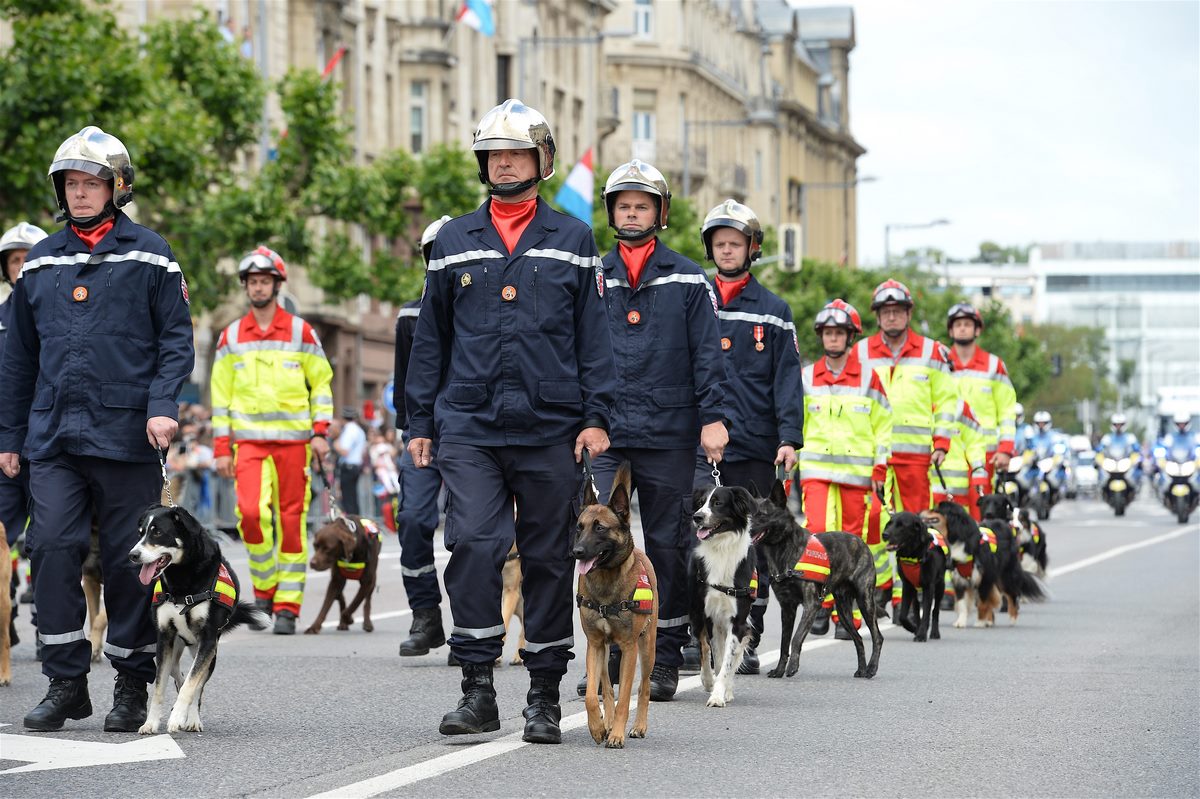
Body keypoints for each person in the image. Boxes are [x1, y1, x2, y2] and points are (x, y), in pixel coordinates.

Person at [405, 99, 616, 744]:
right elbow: (431, 340)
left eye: (516, 154)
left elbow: (594, 339)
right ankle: (477, 689)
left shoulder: (574, 240)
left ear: (541, 161)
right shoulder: (452, 241)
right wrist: (420, 420)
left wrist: (597, 416)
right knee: (473, 543)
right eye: (494, 155)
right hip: (469, 423)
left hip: (551, 425)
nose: (503, 164)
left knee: (549, 557)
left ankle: (544, 696)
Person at [0, 126, 195, 732]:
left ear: (117, 188)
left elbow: (175, 340)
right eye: (71, 183)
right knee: (50, 547)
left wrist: (162, 405)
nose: (80, 193)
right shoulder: (41, 261)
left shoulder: (152, 255)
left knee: (126, 561)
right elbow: (17, 359)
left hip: (127, 436)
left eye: (91, 182)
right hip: (53, 436)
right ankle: (65, 683)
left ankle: (133, 684)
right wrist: (9, 437)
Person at [582, 159, 728, 702]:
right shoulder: (592, 274)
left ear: (659, 213)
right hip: (607, 432)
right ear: (611, 212)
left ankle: (663, 657)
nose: (632, 214)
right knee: (596, 539)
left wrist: (712, 418)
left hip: (669, 430)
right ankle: (605, 654)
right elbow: (577, 350)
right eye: (623, 206)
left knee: (667, 545)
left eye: (641, 206)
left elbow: (708, 354)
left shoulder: (689, 278)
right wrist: (587, 420)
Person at [693, 199, 802, 674]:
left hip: (756, 443)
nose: (727, 250)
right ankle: (698, 634)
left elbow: (787, 379)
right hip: (700, 442)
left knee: (751, 544)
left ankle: (748, 632)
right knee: (700, 537)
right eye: (719, 243)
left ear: (752, 249)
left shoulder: (774, 311)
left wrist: (789, 437)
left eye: (735, 243)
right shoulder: (694, 298)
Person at [210, 246, 334, 635]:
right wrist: (221, 449)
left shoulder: (301, 331)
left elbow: (322, 386)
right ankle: (264, 590)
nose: (258, 287)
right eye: (253, 282)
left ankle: (288, 607)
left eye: (265, 281)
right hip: (248, 445)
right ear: (246, 287)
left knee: (291, 523)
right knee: (250, 515)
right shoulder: (231, 336)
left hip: (295, 445)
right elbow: (220, 398)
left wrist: (320, 433)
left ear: (277, 285)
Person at [855, 279, 956, 614]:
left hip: (916, 456)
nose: (892, 316)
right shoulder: (861, 352)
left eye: (898, 310)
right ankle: (881, 587)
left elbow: (947, 401)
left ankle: (909, 597)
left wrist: (942, 442)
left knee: (915, 528)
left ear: (909, 313)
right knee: (873, 522)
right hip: (874, 456)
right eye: (885, 311)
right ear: (877, 316)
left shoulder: (931, 351)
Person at [799, 300, 891, 638]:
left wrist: (880, 466)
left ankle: (846, 615)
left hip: (857, 473)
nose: (833, 338)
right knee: (817, 534)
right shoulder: (807, 377)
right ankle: (820, 606)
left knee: (852, 542)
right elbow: (796, 422)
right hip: (816, 471)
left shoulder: (869, 378)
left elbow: (884, 426)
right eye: (828, 333)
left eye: (839, 333)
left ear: (850, 336)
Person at [392, 215, 453, 659]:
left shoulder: (482, 314)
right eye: (435, 255)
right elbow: (403, 381)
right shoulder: (410, 315)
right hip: (422, 434)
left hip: (471, 432)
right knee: (413, 519)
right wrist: (412, 430)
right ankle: (425, 615)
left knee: (468, 533)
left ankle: (472, 626)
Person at [0, 221, 47, 648]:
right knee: (2, 536)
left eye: (28, 259)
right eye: (14, 260)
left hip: (48, 443)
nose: (21, 266)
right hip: (5, 445)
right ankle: (5, 612)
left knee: (47, 540)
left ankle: (48, 625)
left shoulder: (58, 316)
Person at [945, 303, 1017, 489]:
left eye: (967, 324)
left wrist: (1006, 449)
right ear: (951, 331)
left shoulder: (994, 365)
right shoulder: (940, 363)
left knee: (982, 502)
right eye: (957, 324)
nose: (962, 328)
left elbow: (1007, 411)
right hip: (948, 452)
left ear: (977, 330)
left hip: (986, 454)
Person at [333, 406, 366, 514]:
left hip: (348, 467)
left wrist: (335, 443)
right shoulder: (359, 430)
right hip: (356, 466)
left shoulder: (349, 430)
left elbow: (344, 451)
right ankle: (356, 520)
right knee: (353, 498)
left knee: (348, 500)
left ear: (343, 418)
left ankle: (352, 521)